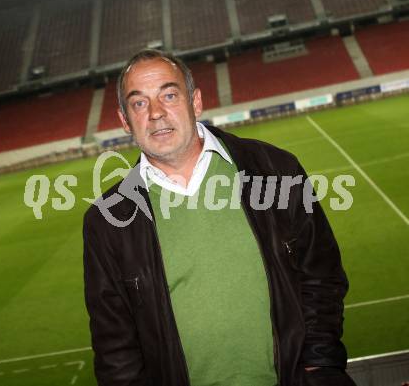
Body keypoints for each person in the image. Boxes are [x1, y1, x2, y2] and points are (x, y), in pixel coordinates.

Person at [83, 49, 356, 386]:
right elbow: (114, 344)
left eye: (169, 95)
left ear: (195, 102)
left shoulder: (275, 170)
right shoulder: (107, 219)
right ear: (125, 120)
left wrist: (319, 367)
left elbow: (322, 275)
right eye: (139, 103)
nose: (155, 113)